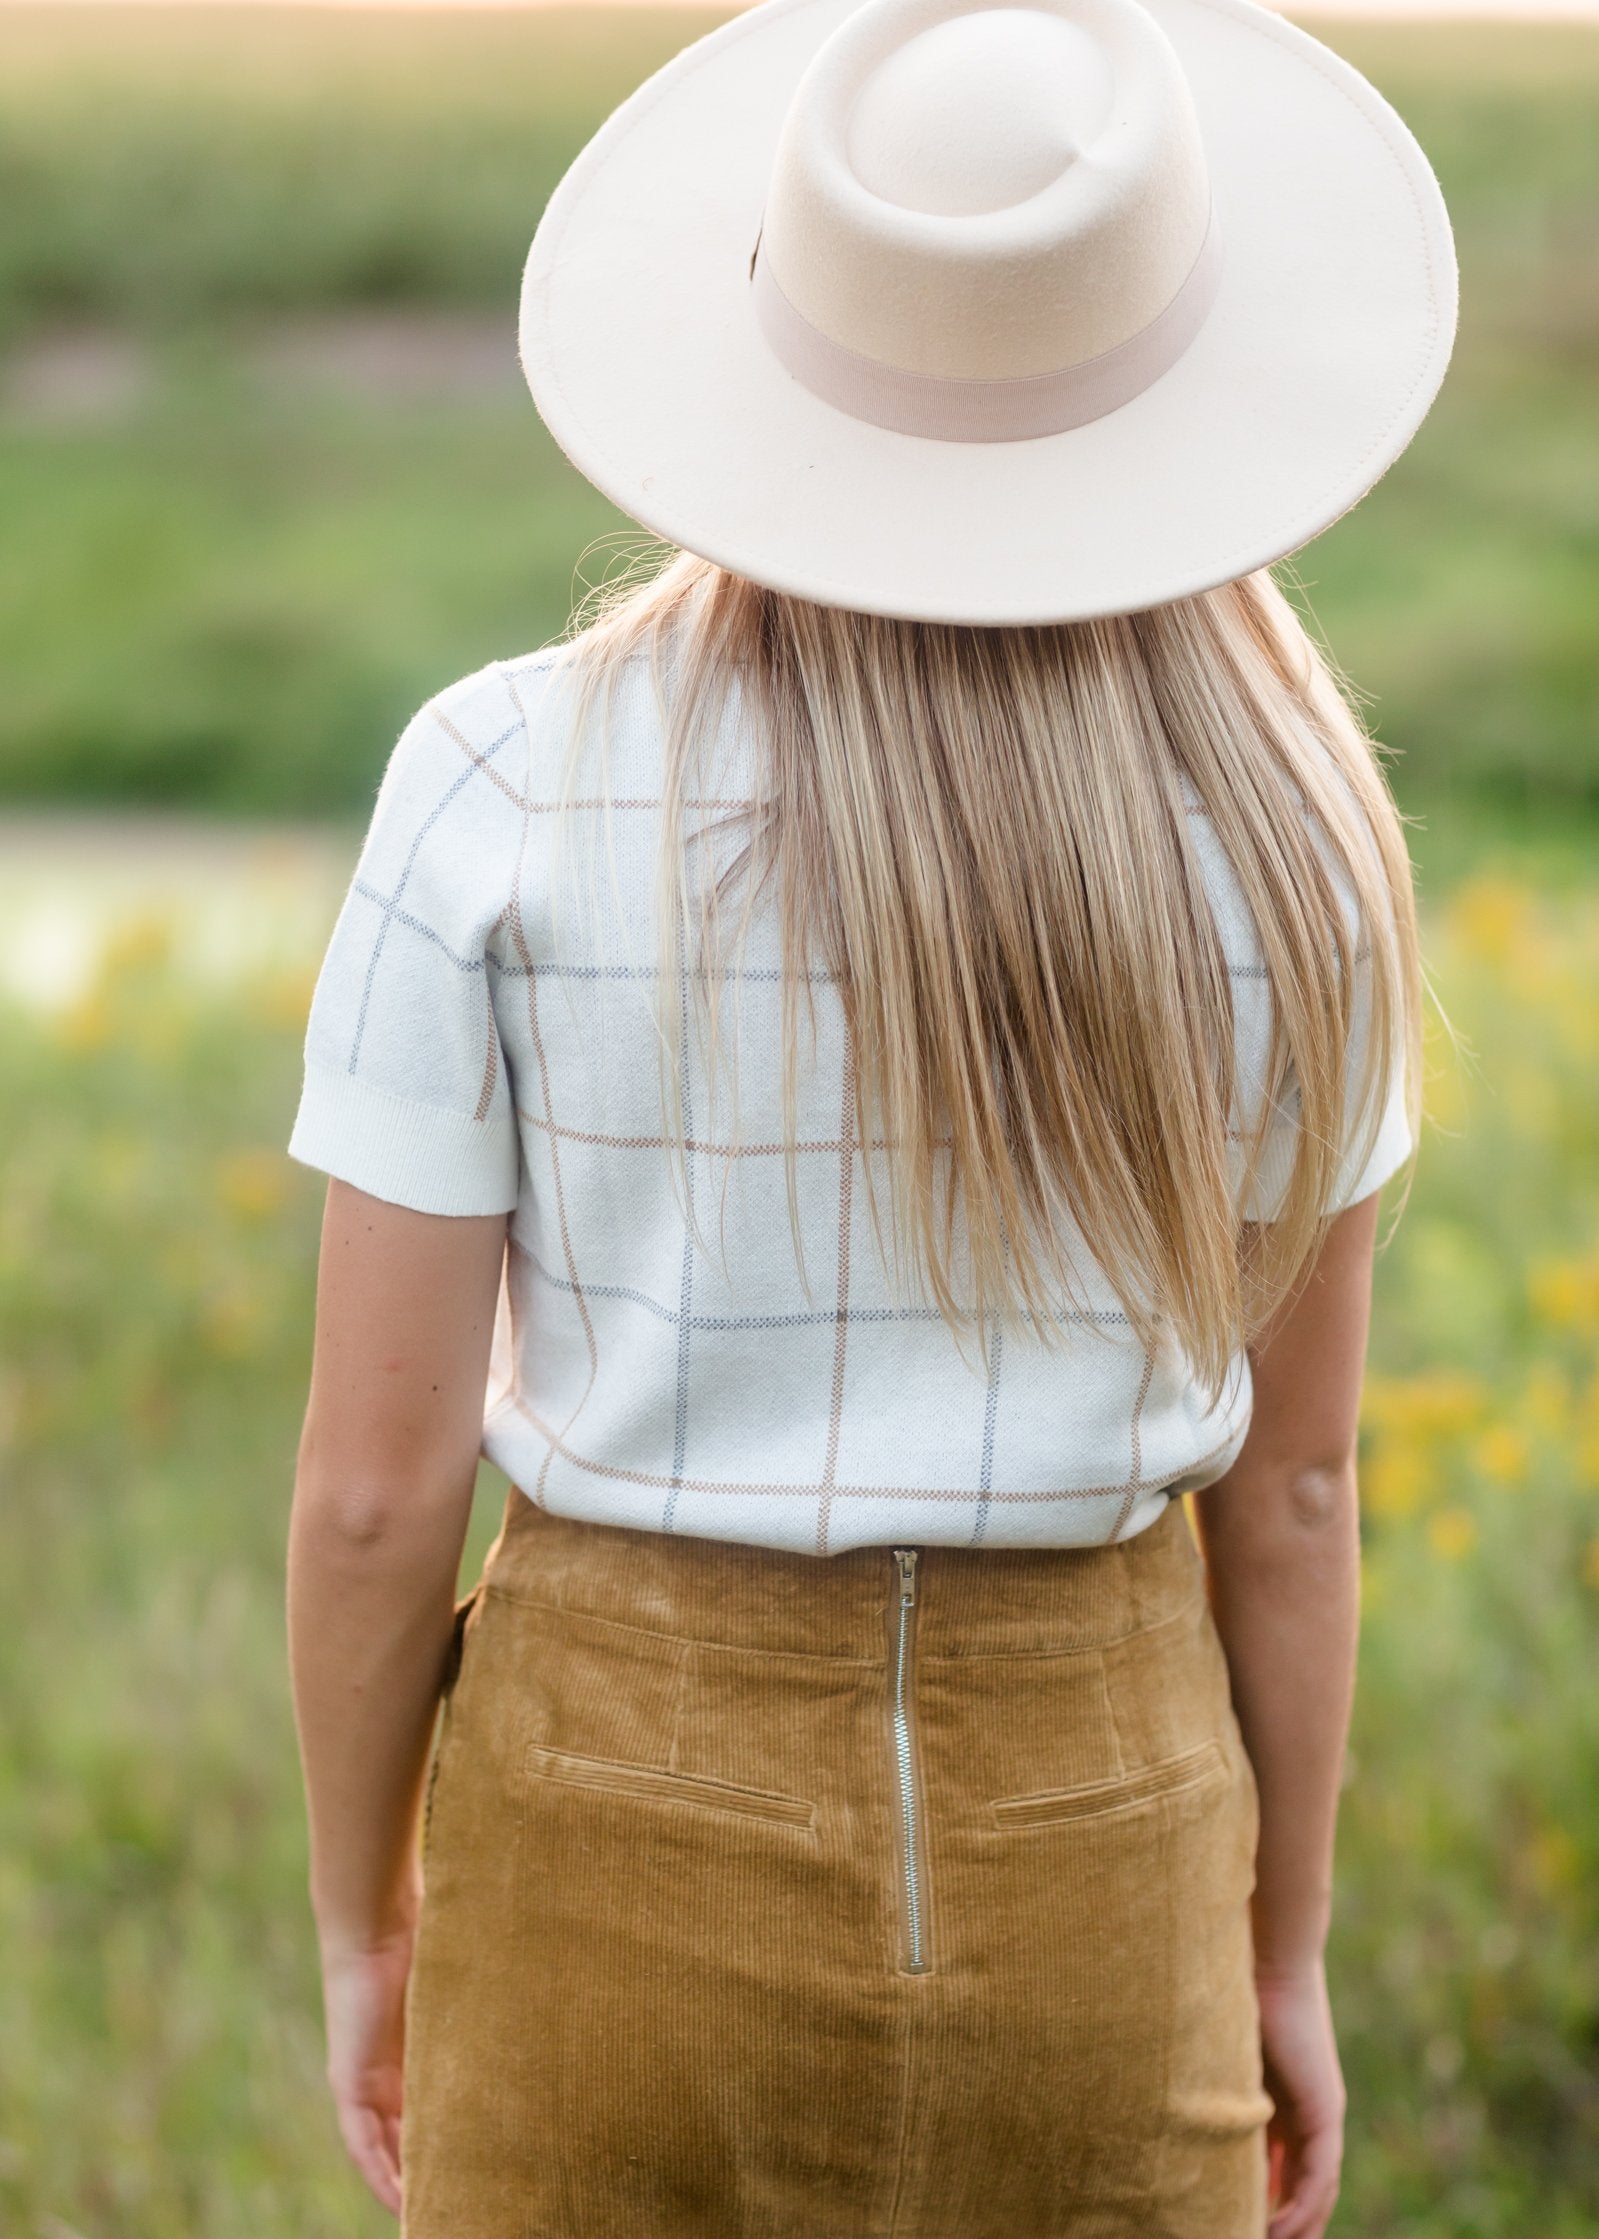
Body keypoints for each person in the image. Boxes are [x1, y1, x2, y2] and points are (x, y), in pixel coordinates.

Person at [283, 0, 1458, 2232]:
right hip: (1102, 1851)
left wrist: (367, 1924)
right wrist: (1276, 1947)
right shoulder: (1302, 831)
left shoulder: (505, 776)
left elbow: (369, 1496)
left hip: (603, 1819)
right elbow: (1291, 1493)